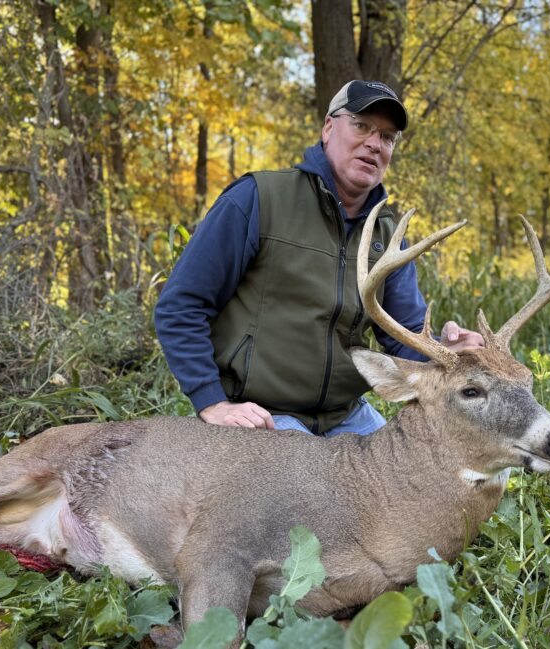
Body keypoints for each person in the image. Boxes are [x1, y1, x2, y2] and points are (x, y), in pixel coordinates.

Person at [154, 80, 483, 436]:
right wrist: (212, 402)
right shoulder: (259, 199)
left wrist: (448, 350)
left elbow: (405, 335)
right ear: (328, 128)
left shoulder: (387, 235)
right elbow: (181, 305)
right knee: (301, 476)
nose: (375, 144)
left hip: (345, 416)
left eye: (387, 137)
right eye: (362, 126)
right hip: (264, 414)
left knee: (413, 469)